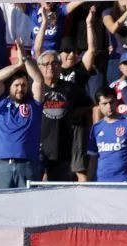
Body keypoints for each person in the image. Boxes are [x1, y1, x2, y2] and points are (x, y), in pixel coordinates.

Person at [0, 42, 44, 190]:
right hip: (1, 165)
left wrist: (25, 60)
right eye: (16, 85)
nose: (20, 89)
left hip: (27, 165)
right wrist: (18, 65)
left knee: (28, 210)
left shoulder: (34, 104)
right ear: (9, 87)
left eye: (24, 85)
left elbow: (38, 80)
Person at [36, 49, 92, 183]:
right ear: (39, 67)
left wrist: (69, 113)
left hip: (62, 148)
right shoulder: (35, 87)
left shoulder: (70, 88)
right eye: (46, 64)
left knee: (59, 190)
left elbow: (89, 104)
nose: (51, 67)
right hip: (39, 148)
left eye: (55, 63)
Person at [88, 86, 127, 182]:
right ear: (98, 105)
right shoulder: (96, 128)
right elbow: (93, 160)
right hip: (101, 183)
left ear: (116, 102)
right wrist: (89, 182)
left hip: (125, 182)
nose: (109, 106)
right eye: (104, 103)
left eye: (111, 102)